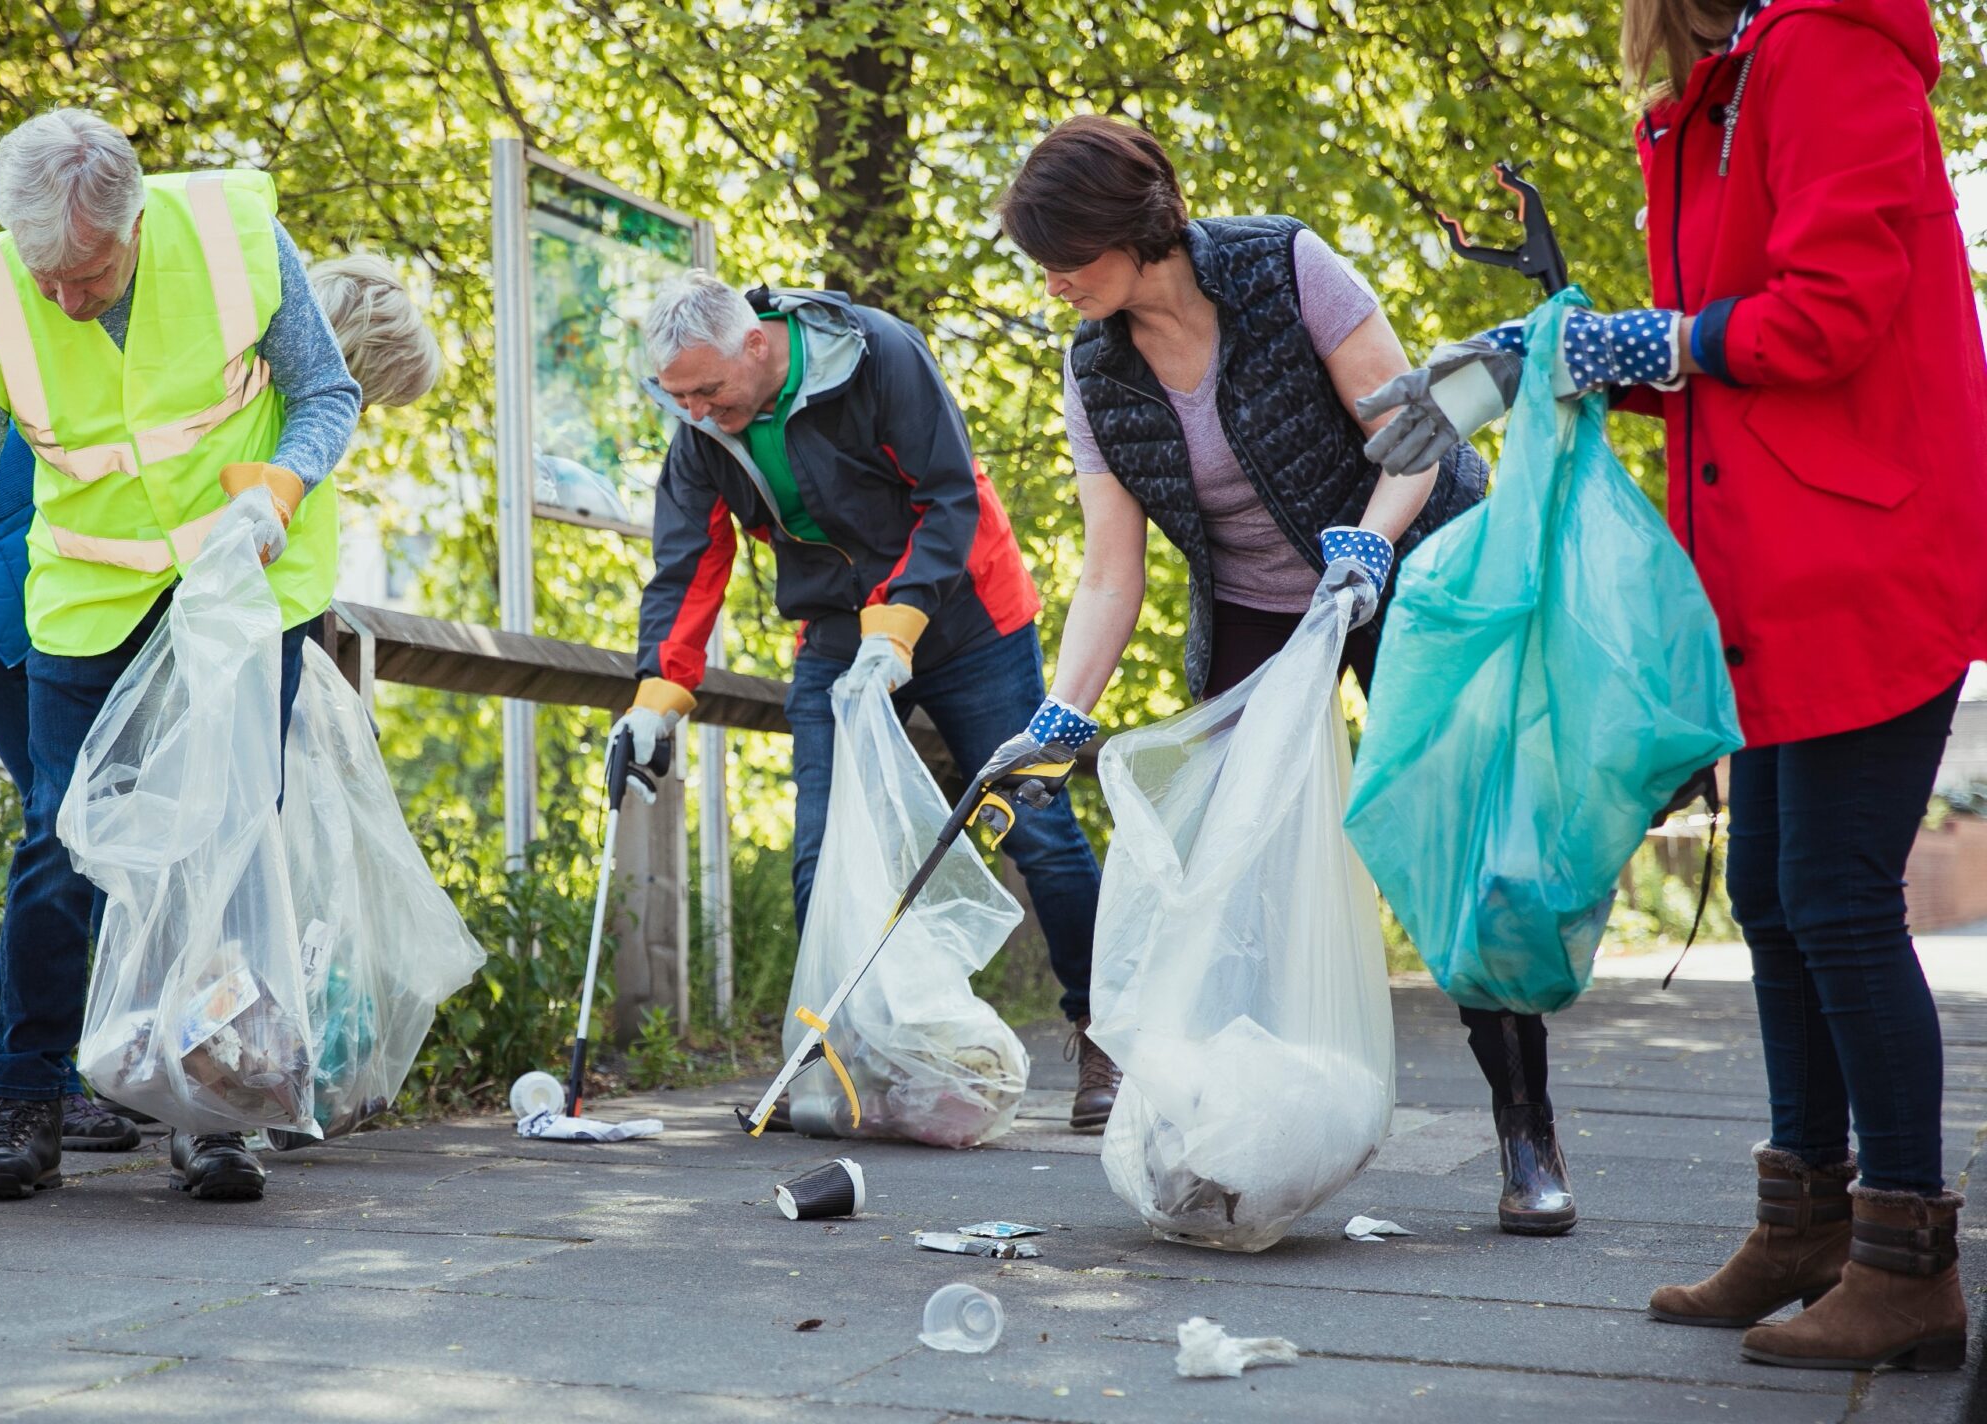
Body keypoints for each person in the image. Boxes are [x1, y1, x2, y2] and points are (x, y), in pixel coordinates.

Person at [1361, 0, 1987, 1371]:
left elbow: (1824, 319)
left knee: (1832, 894)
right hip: (1776, 568)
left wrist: (1635, 345)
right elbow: (1722, 349)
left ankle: (1906, 1267)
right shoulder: (1728, 87)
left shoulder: (1825, 51)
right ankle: (1809, 1223)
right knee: (1771, 889)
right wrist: (1534, 362)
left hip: (1867, 552)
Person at [983, 117, 1610, 1234]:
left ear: (1130, 228)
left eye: (1064, 255)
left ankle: (1526, 1129)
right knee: (1223, 865)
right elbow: (1109, 575)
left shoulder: (1284, 265)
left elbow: (1409, 437)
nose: (1054, 282)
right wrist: (1058, 714)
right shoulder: (1096, 369)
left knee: (1447, 843)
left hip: (1408, 561)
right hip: (1259, 609)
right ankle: (1231, 1132)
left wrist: (1364, 551)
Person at [0, 109, 363, 1206]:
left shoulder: (238, 234)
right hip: (90, 594)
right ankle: (23, 1096)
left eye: (87, 271)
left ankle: (211, 1113)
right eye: (43, 272)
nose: (63, 296)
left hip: (245, 580)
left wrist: (279, 492)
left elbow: (326, 395)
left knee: (228, 841)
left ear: (133, 222)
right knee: (61, 832)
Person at [0, 254, 445, 1156]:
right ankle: (54, 1080)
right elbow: (8, 533)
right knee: (77, 829)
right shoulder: (213, 387)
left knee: (137, 837)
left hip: (53, 598)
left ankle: (172, 1072)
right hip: (5, 600)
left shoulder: (244, 384)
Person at [612, 271, 1116, 1131]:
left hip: (967, 614)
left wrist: (903, 623)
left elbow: (946, 495)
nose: (694, 411)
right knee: (822, 850)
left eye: (706, 390)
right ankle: (844, 1056)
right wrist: (659, 694)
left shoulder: (878, 353)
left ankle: (1106, 1037)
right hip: (837, 632)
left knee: (1036, 828)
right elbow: (689, 559)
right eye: (677, 396)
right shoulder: (700, 426)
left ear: (757, 346)